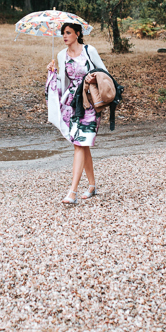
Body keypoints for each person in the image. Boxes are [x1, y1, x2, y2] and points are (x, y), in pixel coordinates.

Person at [45, 22, 107, 205]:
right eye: (63, 33)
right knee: (82, 144)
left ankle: (72, 192)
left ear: (78, 34)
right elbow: (63, 82)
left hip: (90, 101)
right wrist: (53, 72)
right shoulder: (61, 55)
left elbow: (105, 73)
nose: (64, 36)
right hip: (73, 102)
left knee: (80, 144)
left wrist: (92, 76)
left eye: (68, 33)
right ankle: (92, 186)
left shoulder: (89, 50)